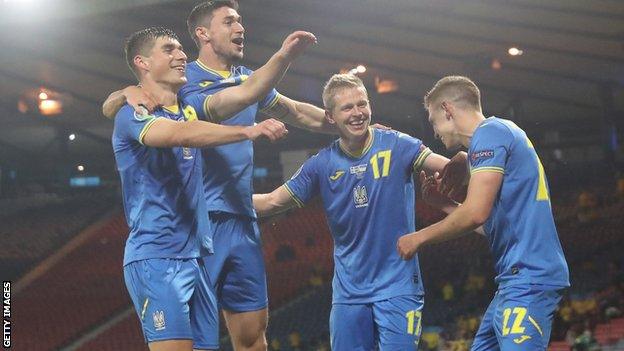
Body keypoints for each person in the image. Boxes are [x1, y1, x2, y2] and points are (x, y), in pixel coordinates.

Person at [102, 2, 338, 349]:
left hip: (240, 219)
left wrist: (350, 128)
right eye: (229, 21)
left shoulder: (247, 77)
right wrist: (124, 93)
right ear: (203, 33)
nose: (239, 27)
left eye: (240, 20)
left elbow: (296, 111)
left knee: (251, 334)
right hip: (199, 226)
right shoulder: (184, 84)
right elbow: (141, 110)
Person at [252, 74, 461, 349]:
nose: (357, 113)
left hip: (398, 288)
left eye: (362, 104)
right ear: (330, 116)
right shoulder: (321, 164)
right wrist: (208, 201)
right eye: (347, 108)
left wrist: (467, 161)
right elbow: (270, 202)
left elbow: (448, 170)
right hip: (349, 295)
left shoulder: (397, 144)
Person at [397, 75, 570, 350]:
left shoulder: (490, 134)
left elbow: (475, 214)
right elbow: (488, 225)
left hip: (529, 277)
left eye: (432, 121)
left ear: (447, 109)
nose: (434, 131)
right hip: (513, 281)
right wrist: (443, 204)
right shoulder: (499, 134)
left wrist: (418, 237)